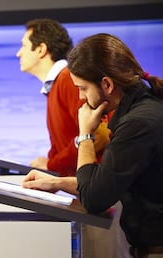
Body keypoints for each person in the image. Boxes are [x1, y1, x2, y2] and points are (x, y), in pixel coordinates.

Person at [22, 33, 163, 258]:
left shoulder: (137, 123)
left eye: (83, 88)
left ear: (106, 84)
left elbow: (94, 198)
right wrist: (56, 182)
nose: (81, 96)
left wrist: (85, 135)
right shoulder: (141, 111)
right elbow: (103, 181)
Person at [16, 19, 129, 257]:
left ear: (41, 49)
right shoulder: (58, 83)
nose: (18, 53)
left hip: (101, 193)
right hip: (85, 191)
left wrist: (52, 165)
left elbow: (99, 134)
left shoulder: (68, 79)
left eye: (24, 45)